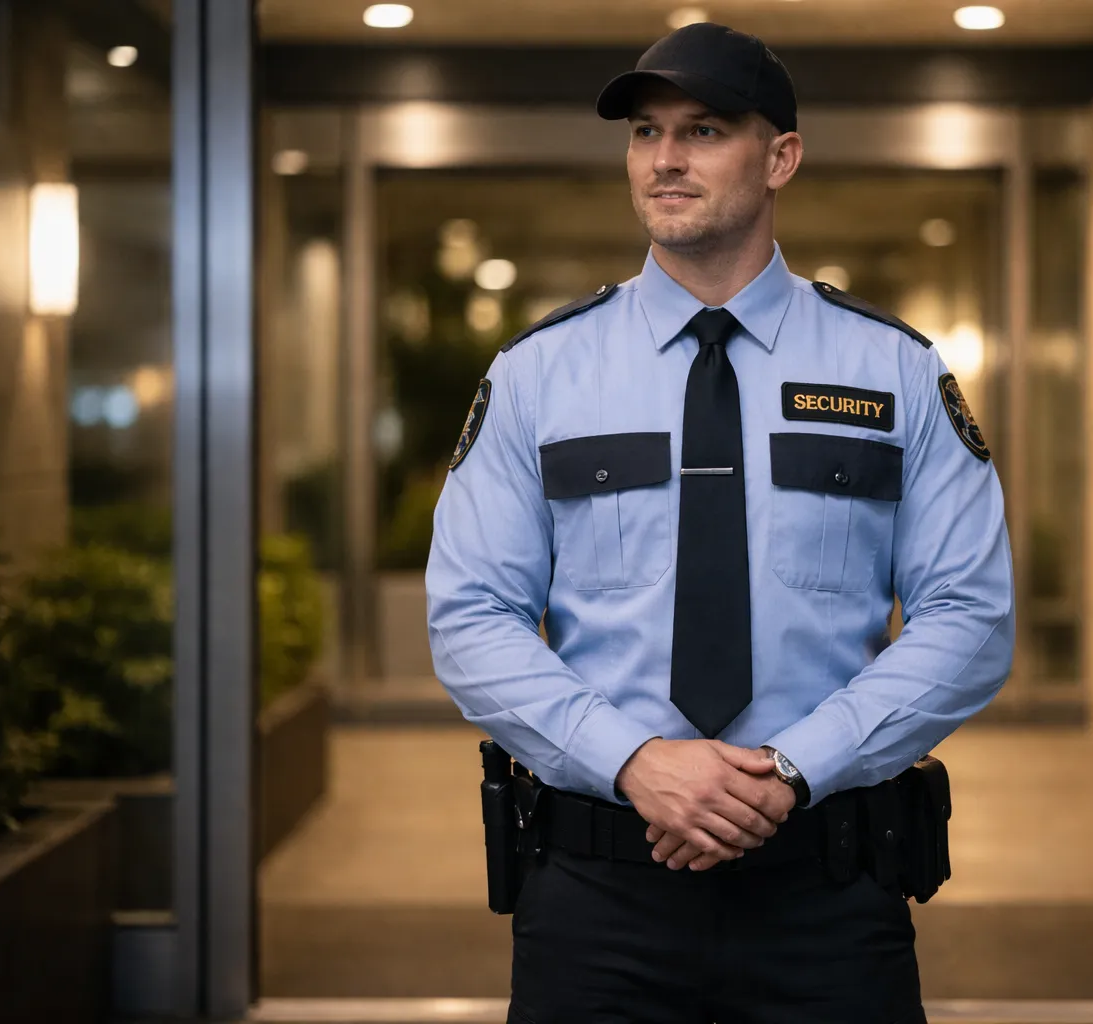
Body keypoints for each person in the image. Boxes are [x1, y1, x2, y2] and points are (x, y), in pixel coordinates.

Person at [426, 21, 1015, 1024]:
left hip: (827, 894)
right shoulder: (538, 374)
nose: (663, 158)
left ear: (781, 155)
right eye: (646, 132)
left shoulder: (894, 371)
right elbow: (471, 615)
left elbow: (970, 616)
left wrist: (792, 770)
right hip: (599, 895)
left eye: (702, 130)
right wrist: (634, 760)